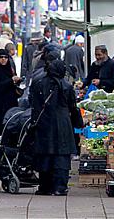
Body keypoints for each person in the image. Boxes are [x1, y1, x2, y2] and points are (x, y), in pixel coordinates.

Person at [30, 60, 82, 196]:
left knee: (45, 154)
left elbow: (33, 104)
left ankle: (45, 186)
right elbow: (73, 107)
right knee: (61, 156)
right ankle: (59, 187)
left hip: (44, 123)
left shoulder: (38, 83)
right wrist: (78, 124)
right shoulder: (66, 86)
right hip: (62, 124)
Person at [0, 49, 21, 141]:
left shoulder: (10, 70)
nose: (3, 59)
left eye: (6, 57)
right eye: (1, 57)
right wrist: (10, 81)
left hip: (9, 106)